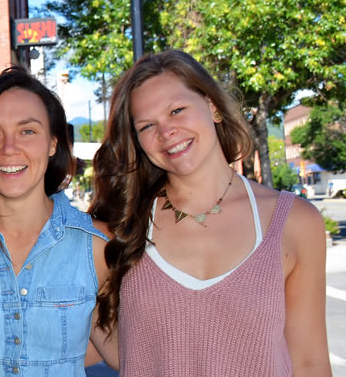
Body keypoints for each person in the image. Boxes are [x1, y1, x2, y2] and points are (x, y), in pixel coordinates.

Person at [89, 50, 332, 376]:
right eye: (147, 125)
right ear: (136, 140)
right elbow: (132, 353)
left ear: (213, 107)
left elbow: (309, 362)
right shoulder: (118, 228)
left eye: (177, 110)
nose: (166, 132)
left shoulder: (293, 221)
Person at [0, 66, 116, 376]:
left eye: (27, 130)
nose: (9, 148)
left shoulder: (96, 246)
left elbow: (127, 351)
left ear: (53, 143)